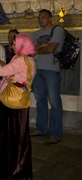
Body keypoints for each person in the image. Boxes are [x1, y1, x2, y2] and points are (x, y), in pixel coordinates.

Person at [0, 34, 35, 180]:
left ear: (21, 45)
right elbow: (10, 71)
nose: (11, 46)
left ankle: (6, 173)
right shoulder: (29, 59)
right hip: (20, 103)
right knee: (19, 137)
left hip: (11, 104)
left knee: (7, 138)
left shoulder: (20, 60)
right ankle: (19, 169)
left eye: (14, 44)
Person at [31, 9, 65, 144]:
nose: (41, 20)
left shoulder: (57, 30)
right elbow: (30, 51)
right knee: (40, 101)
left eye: (43, 17)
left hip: (51, 70)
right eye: (39, 18)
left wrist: (42, 47)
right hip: (37, 70)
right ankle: (41, 129)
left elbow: (51, 49)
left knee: (54, 102)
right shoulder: (36, 33)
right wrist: (44, 45)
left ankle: (56, 134)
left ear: (50, 18)